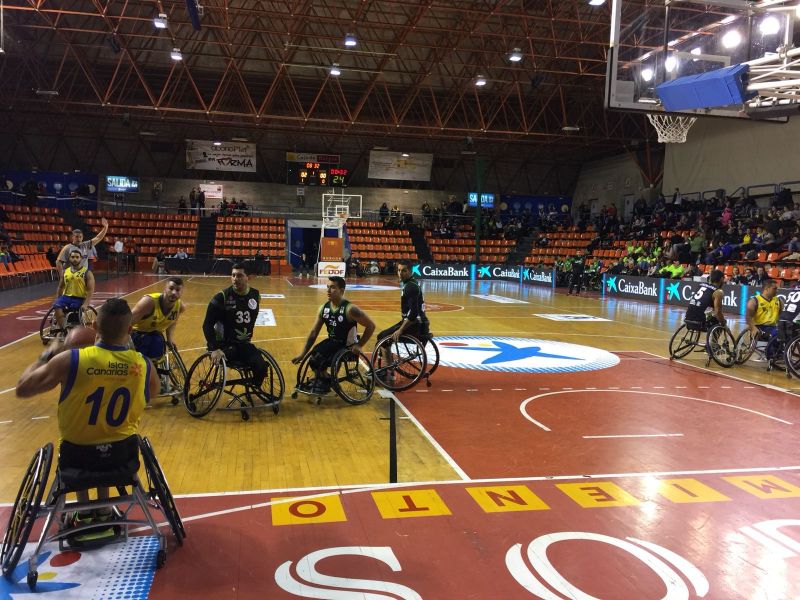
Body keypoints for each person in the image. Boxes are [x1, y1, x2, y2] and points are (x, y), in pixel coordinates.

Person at [16, 298, 159, 543]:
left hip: (76, 459)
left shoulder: (71, 360)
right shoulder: (143, 365)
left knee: (83, 437)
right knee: (108, 436)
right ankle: (103, 510)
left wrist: (47, 355)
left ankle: (84, 512)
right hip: (121, 460)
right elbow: (152, 395)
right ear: (129, 329)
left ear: (94, 326)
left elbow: (23, 388)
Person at [292, 276, 375, 393]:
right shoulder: (324, 308)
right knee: (314, 358)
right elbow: (314, 333)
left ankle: (325, 380)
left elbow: (371, 326)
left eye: (332, 287)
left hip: (347, 345)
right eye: (327, 287)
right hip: (332, 342)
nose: (328, 290)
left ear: (341, 290)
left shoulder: (350, 309)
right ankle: (324, 378)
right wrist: (302, 354)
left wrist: (359, 345)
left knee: (323, 359)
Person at [201, 264, 269, 399]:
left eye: (239, 275)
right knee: (232, 351)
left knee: (261, 366)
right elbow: (207, 325)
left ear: (248, 278)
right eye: (233, 275)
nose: (235, 278)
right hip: (224, 345)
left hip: (244, 344)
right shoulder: (221, 297)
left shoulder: (255, 295)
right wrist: (214, 348)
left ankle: (254, 387)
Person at [130, 277, 185, 392]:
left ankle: (153, 376)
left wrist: (170, 339)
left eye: (178, 290)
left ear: (182, 292)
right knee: (150, 340)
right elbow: (127, 322)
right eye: (171, 288)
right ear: (164, 289)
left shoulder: (180, 306)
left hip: (154, 334)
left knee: (157, 340)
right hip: (136, 333)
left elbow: (173, 321)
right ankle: (143, 377)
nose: (174, 292)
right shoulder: (148, 302)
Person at [376, 261, 430, 361]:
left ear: (410, 272)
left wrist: (400, 330)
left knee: (381, 337)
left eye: (404, 270)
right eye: (399, 270)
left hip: (414, 326)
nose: (400, 273)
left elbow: (413, 314)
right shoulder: (411, 283)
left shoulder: (410, 287)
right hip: (421, 324)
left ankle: (389, 369)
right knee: (384, 335)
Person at [53, 249, 95, 335]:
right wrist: (58, 298)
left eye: (77, 257)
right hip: (66, 297)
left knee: (74, 311)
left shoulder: (87, 273)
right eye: (72, 257)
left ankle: (75, 330)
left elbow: (90, 290)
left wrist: (86, 303)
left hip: (79, 298)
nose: (75, 259)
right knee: (56, 305)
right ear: (69, 258)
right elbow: (61, 287)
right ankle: (64, 330)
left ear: (81, 258)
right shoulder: (65, 272)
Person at [745, 279, 782, 348]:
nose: (777, 291)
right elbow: (748, 317)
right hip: (760, 327)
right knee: (777, 333)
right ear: (766, 289)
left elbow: (780, 314)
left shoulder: (779, 301)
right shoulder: (754, 301)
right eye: (774, 289)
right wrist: (753, 328)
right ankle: (770, 353)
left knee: (786, 332)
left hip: (773, 327)